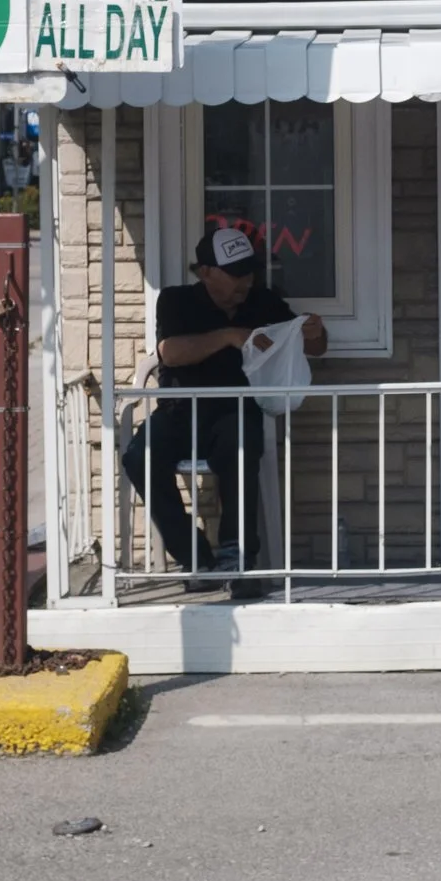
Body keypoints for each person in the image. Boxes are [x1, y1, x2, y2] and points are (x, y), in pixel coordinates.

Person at [124, 225, 328, 601]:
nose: (245, 282)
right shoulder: (176, 300)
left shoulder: (264, 301)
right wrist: (229, 336)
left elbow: (311, 347)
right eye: (235, 274)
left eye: (248, 272)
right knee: (139, 456)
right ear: (206, 272)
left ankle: (238, 560)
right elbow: (169, 353)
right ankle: (195, 558)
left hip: (236, 411)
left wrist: (315, 332)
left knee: (240, 447)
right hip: (179, 411)